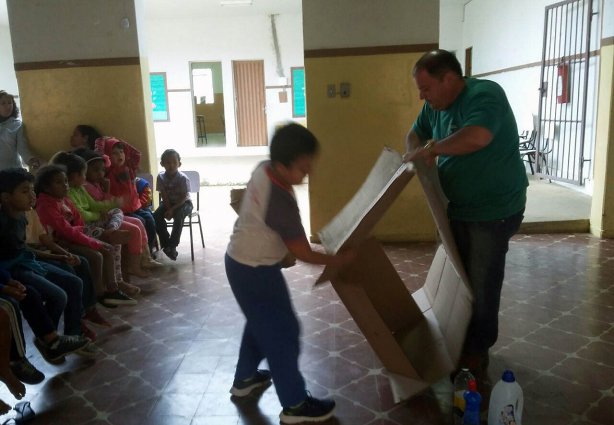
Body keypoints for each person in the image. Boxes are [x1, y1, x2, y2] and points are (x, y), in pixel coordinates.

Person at [404, 49, 528, 376]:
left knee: (483, 281)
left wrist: (432, 149)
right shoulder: (435, 107)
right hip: (460, 208)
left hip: (494, 210)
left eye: (426, 88)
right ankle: (461, 338)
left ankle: (478, 349)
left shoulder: (485, 95)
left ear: (449, 79)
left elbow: (478, 136)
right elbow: (415, 133)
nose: (422, 96)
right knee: (464, 278)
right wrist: (414, 150)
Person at [225, 123, 355, 424]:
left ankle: (244, 380)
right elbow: (303, 253)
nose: (307, 174)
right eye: (303, 168)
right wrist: (340, 260)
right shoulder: (281, 200)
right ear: (282, 165)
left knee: (261, 322)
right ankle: (295, 405)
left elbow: (252, 211)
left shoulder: (264, 167)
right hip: (254, 271)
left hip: (242, 263)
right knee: (283, 334)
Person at [0, 168, 92, 362]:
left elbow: (24, 250)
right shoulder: (3, 224)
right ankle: (49, 339)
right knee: (59, 296)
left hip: (27, 262)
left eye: (32, 190)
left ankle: (70, 334)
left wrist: (61, 257)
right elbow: (12, 257)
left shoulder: (22, 216)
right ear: (6, 197)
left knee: (74, 282)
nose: (32, 195)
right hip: (12, 270)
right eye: (25, 191)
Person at [33, 165, 137, 307]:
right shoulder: (46, 206)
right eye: (59, 182)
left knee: (107, 247)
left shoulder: (64, 200)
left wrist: (90, 236)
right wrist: (94, 242)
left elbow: (78, 222)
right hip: (59, 243)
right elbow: (65, 231)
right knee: (98, 254)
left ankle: (112, 289)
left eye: (65, 181)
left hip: (74, 236)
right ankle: (100, 294)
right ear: (46, 187)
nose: (65, 185)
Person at [51, 151, 145, 294]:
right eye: (83, 173)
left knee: (117, 212)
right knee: (113, 244)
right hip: (85, 226)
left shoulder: (80, 188)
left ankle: (112, 230)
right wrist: (98, 214)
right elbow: (81, 215)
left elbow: (94, 204)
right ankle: (116, 282)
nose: (85, 176)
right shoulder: (69, 193)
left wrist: (113, 203)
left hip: (97, 222)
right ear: (74, 176)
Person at [94, 136, 161, 263]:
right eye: (114, 153)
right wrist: (102, 140)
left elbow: (136, 154)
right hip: (121, 211)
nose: (119, 155)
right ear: (108, 156)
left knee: (151, 221)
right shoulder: (107, 172)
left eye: (121, 151)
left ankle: (148, 254)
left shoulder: (129, 168)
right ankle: (138, 256)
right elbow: (99, 154)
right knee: (140, 222)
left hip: (136, 207)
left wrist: (119, 141)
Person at [154, 149, 193, 261]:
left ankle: (173, 245)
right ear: (162, 164)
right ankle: (166, 244)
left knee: (179, 215)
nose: (171, 165)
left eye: (174, 162)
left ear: (179, 164)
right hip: (169, 203)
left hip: (184, 203)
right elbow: (164, 195)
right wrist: (168, 208)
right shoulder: (160, 177)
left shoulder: (182, 178)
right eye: (167, 162)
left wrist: (172, 210)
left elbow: (183, 197)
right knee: (156, 216)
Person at [0, 91, 40, 171]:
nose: (7, 106)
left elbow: (22, 148)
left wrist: (31, 161)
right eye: (3, 103)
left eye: (10, 103)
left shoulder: (17, 125)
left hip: (12, 170)